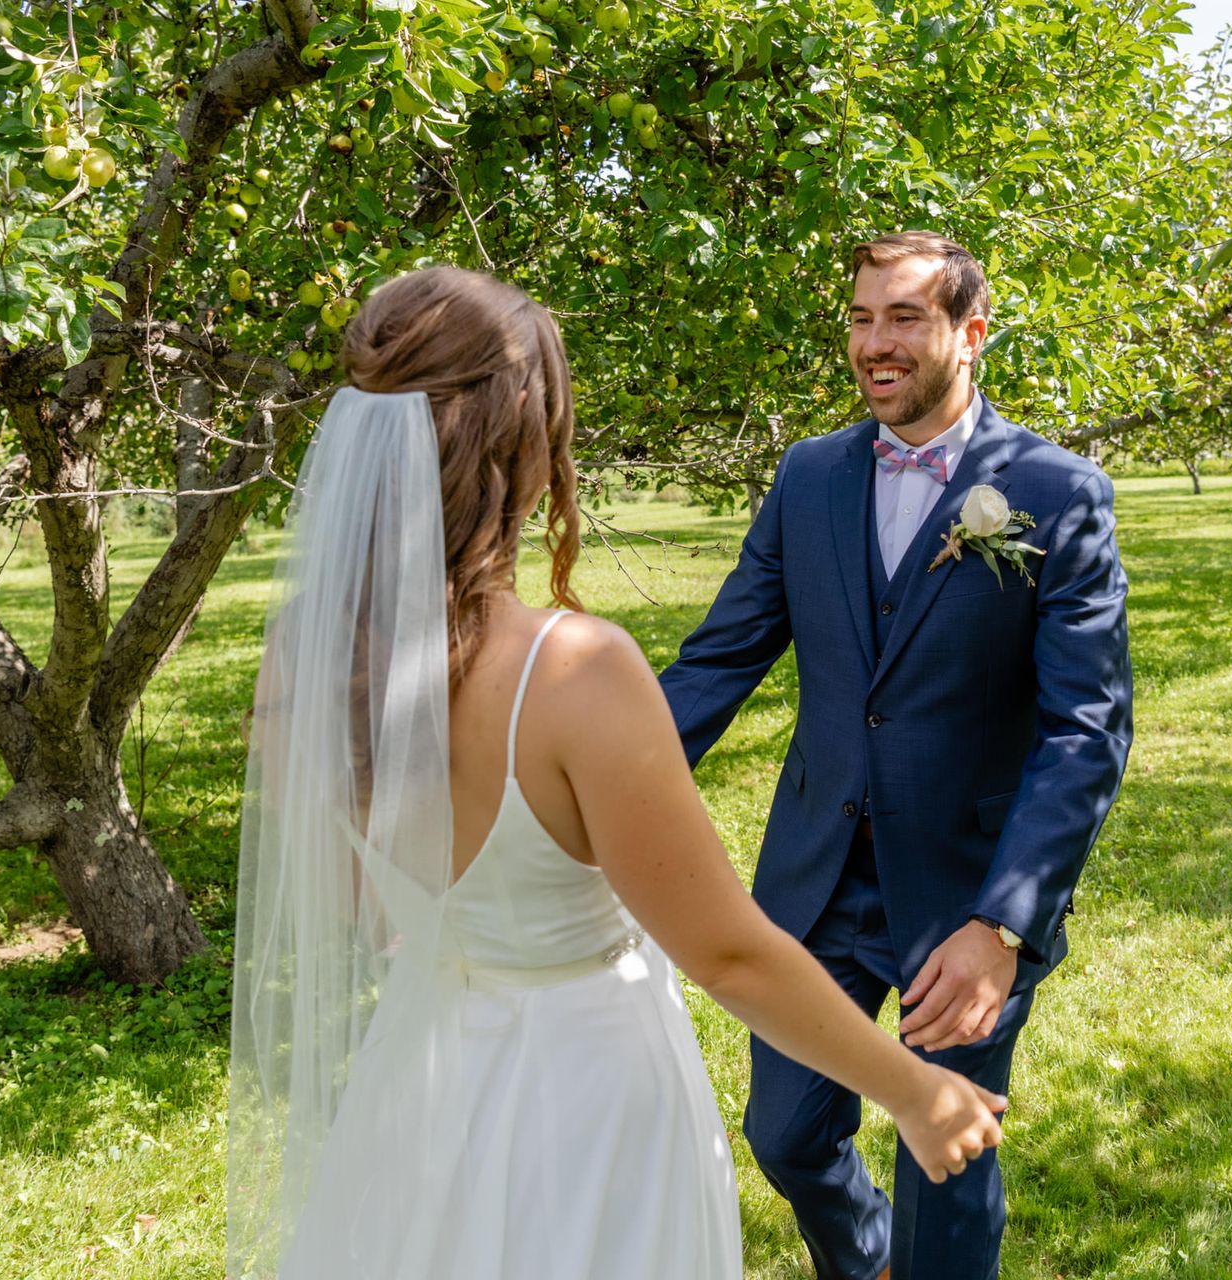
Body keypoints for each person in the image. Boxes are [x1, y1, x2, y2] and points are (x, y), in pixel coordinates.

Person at [225, 266, 1005, 1280]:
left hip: (419, 1081)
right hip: (584, 1094)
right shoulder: (574, 669)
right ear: (522, 445)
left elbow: (371, 911)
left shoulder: (304, 656)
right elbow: (727, 952)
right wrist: (911, 1087)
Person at [660, 232, 1133, 1280]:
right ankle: (865, 1259)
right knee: (784, 1134)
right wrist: (576, 767)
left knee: (946, 1180)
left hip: (965, 897)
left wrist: (1005, 923)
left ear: (971, 333)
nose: (874, 343)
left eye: (903, 319)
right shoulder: (809, 474)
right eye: (862, 319)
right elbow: (718, 660)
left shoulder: (1057, 493)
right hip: (814, 881)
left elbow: (1086, 727)